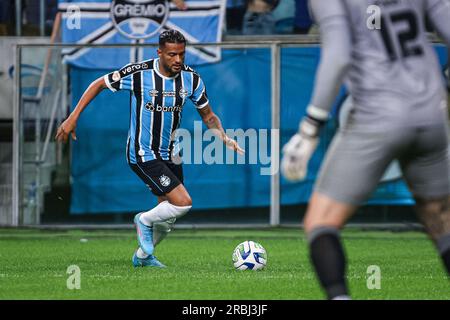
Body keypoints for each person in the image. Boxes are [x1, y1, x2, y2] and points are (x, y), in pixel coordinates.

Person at [281, 0, 450, 299]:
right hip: (432, 111)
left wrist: (311, 126)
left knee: (321, 222)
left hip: (378, 113)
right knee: (440, 220)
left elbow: (338, 55)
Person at [55, 29, 244, 268]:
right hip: (143, 152)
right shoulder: (139, 73)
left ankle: (143, 258)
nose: (177, 60)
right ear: (160, 52)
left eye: (182, 54)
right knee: (183, 203)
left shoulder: (191, 79)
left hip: (171, 154)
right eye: (172, 54)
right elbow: (99, 84)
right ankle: (142, 220)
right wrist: (73, 117)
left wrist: (225, 138)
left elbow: (208, 116)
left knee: (168, 217)